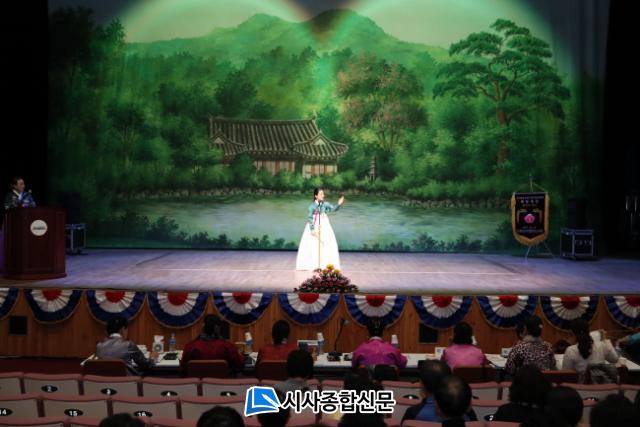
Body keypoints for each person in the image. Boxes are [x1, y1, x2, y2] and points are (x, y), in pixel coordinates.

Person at [296, 187, 344, 271]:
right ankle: (315, 264)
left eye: (323, 194)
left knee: (326, 243)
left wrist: (339, 204)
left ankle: (325, 264)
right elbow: (310, 218)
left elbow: (333, 209)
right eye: (321, 194)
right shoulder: (312, 206)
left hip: (324, 226)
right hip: (315, 226)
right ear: (316, 196)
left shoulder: (325, 204)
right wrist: (312, 229)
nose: (323, 195)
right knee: (313, 245)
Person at [562, 318, 619, 383]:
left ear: (572, 334)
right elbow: (615, 359)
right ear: (589, 330)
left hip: (581, 388)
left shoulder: (570, 350)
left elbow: (566, 375)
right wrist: (605, 339)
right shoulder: (602, 345)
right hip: (602, 386)